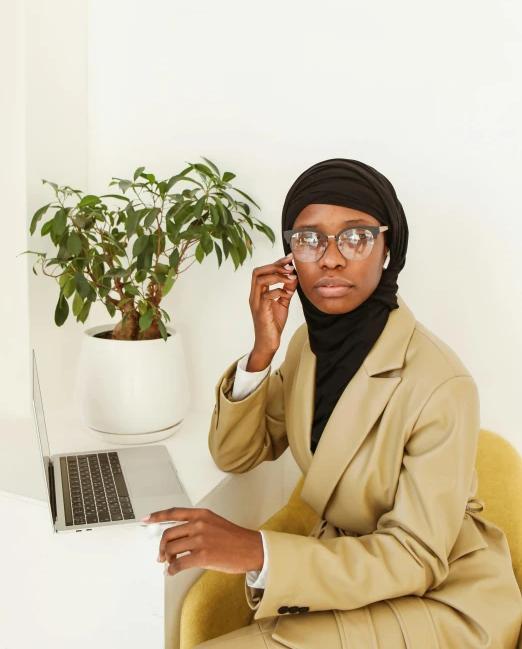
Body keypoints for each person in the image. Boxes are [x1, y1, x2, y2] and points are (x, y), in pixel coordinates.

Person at [148, 158, 522, 648]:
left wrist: (258, 551)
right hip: (353, 582)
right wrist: (263, 350)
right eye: (308, 239)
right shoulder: (307, 346)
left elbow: (417, 556)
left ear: (389, 248)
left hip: (446, 598)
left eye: (356, 236)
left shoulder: (441, 382)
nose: (330, 258)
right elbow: (235, 454)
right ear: (289, 255)